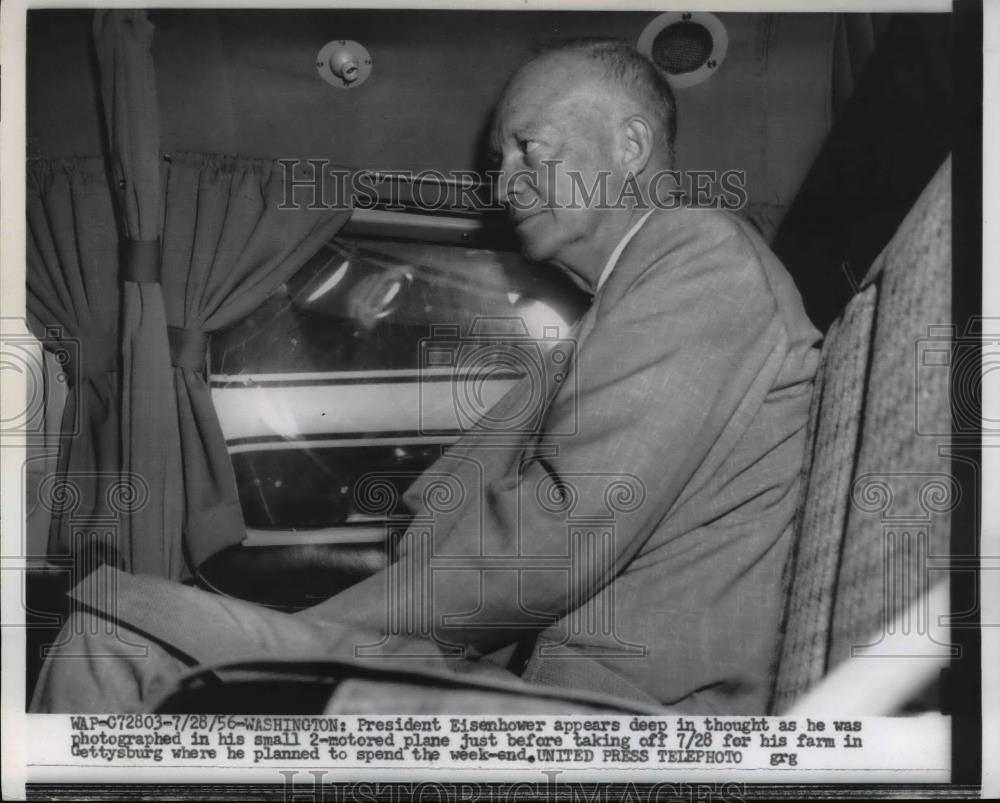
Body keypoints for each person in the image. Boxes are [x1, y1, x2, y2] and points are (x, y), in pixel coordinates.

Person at [31, 40, 820, 714]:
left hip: (627, 710)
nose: (504, 183)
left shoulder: (698, 258)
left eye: (529, 150)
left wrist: (331, 628)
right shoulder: (623, 304)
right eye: (500, 160)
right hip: (555, 678)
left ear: (631, 144)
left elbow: (554, 539)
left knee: (115, 631)